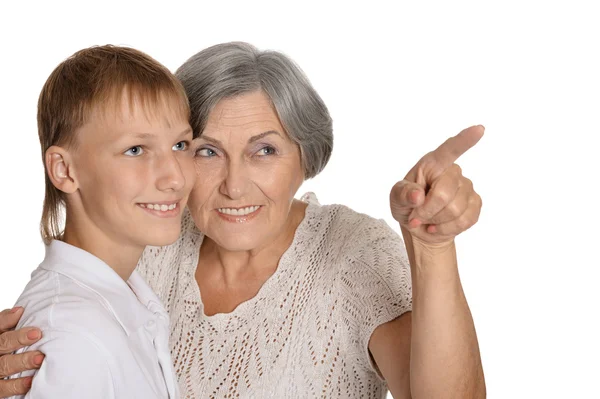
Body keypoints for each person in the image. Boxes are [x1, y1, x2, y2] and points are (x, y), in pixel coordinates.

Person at [0, 42, 485, 398]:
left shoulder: (351, 250)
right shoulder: (148, 240)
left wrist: (432, 249)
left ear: (306, 157)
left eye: (265, 151)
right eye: (206, 151)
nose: (234, 185)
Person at [2, 45, 196, 398]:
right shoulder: (77, 338)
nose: (176, 179)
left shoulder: (123, 298)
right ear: (64, 170)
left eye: (181, 145)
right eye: (135, 150)